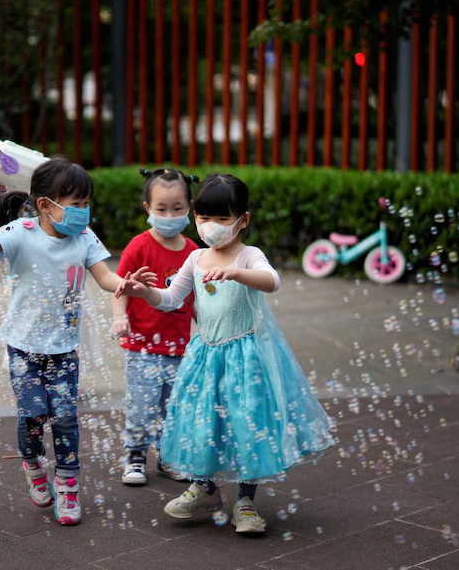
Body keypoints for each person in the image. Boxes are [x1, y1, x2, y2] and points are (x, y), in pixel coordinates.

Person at [118, 174, 335, 535]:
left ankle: (246, 501)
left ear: (242, 220)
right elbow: (172, 300)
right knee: (202, 419)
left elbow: (272, 280)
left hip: (246, 356)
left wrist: (237, 273)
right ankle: (204, 487)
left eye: (221, 219)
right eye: (203, 218)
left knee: (246, 423)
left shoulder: (250, 256)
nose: (211, 227)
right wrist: (145, 293)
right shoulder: (196, 257)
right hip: (206, 353)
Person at [0, 158, 153, 526]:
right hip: (23, 345)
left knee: (64, 419)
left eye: (86, 203)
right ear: (46, 205)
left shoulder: (85, 238)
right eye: (76, 204)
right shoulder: (22, 232)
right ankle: (32, 464)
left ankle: (68, 484)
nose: (83, 211)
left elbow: (106, 278)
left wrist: (125, 284)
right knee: (32, 416)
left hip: (63, 347)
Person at [112, 168, 198, 486]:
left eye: (177, 208)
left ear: (189, 208)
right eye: (161, 209)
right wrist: (119, 317)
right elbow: (119, 288)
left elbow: (198, 300)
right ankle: (135, 456)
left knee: (173, 407)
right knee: (142, 404)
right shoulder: (139, 247)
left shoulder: (193, 252)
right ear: (147, 208)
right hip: (142, 344)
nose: (169, 215)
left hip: (179, 345)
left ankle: (167, 455)